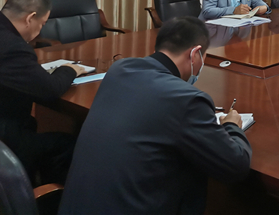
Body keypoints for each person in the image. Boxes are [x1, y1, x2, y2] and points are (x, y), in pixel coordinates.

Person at [59, 17, 252, 215]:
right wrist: (231, 126)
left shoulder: (118, 70)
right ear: (195, 54)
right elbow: (236, 166)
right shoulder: (187, 99)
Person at [0, 0, 88, 185]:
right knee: (68, 145)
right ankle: (47, 197)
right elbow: (50, 90)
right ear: (30, 18)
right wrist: (70, 69)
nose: (40, 31)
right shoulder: (12, 47)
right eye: (42, 24)